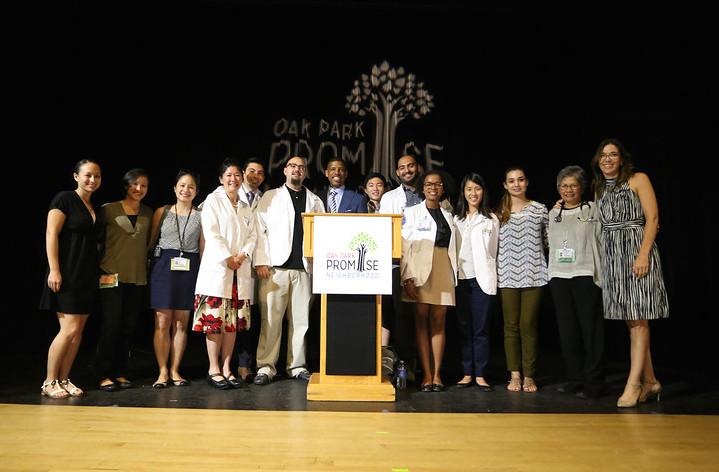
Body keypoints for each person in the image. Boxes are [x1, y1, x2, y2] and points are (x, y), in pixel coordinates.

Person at [591, 138, 668, 407]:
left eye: (613, 155)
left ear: (622, 158)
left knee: (638, 319)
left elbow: (653, 219)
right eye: (603, 155)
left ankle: (633, 384)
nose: (607, 159)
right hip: (613, 257)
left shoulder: (638, 179)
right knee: (631, 321)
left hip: (636, 252)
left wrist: (644, 253)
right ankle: (650, 381)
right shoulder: (600, 188)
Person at [253, 156, 325, 385]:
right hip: (275, 269)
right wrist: (261, 261)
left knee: (301, 321)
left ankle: (297, 365)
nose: (297, 170)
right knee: (271, 321)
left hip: (304, 269)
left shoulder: (315, 201)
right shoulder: (271, 196)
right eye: (292, 166)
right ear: (285, 170)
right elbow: (259, 230)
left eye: (301, 167)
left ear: (305, 173)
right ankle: (266, 366)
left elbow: (322, 233)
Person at [39, 159, 103, 398]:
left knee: (78, 332)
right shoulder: (64, 199)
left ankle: (64, 379)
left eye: (96, 176)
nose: (92, 180)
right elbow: (51, 234)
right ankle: (49, 381)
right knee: (68, 329)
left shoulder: (93, 206)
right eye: (87, 175)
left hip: (86, 275)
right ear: (76, 176)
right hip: (67, 273)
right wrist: (54, 269)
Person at [192, 159, 256, 389]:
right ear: (221, 179)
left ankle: (228, 367)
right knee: (215, 323)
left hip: (239, 271)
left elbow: (253, 235)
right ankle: (214, 368)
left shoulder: (246, 204)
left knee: (233, 324)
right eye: (229, 175)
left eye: (237, 175)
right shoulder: (212, 201)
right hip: (219, 270)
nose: (233, 179)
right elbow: (212, 232)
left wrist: (242, 255)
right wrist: (228, 258)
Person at [548, 165, 604, 399]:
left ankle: (594, 383)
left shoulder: (592, 209)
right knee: (567, 330)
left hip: (585, 273)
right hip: (559, 276)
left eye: (573, 185)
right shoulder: (554, 213)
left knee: (590, 330)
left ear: (581, 187)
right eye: (564, 185)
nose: (568, 189)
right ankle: (574, 378)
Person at [401, 171, 457, 392]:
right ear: (423, 188)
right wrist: (407, 278)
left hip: (443, 268)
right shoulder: (411, 212)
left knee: (439, 322)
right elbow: (404, 248)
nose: (433, 187)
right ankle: (426, 374)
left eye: (437, 184)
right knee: (421, 321)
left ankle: (437, 374)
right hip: (419, 271)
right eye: (428, 184)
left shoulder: (449, 215)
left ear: (442, 189)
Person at [96, 169, 152, 391]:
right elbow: (97, 242)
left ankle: (120, 372)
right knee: (111, 324)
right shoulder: (108, 210)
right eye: (134, 184)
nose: (138, 189)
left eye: (144, 185)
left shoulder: (148, 212)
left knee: (128, 327)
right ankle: (103, 374)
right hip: (110, 275)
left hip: (137, 278)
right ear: (126, 185)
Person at [148, 170, 203, 388]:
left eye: (190, 186)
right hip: (163, 266)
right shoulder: (162, 212)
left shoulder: (200, 215)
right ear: (174, 188)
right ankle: (162, 371)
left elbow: (202, 246)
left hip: (189, 268)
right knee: (162, 322)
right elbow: (151, 241)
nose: (185, 190)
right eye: (182, 185)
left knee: (181, 322)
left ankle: (175, 370)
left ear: (196, 191)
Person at [496, 167, 548, 393]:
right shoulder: (498, 212)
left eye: (520, 180)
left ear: (526, 183)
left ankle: (529, 375)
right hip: (506, 275)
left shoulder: (539, 209)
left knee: (528, 324)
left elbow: (549, 240)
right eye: (511, 181)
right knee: (511, 326)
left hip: (534, 273)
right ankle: (514, 374)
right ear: (505, 185)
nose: (516, 184)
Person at [453, 173, 499, 391]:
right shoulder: (456, 219)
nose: (473, 193)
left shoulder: (491, 219)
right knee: (464, 328)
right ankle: (467, 372)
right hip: (460, 279)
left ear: (483, 192)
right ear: (463, 192)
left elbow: (494, 250)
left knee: (480, 329)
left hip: (482, 280)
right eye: (469, 189)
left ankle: (480, 374)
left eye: (477, 189)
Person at [235, 157, 266, 382]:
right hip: (233, 263)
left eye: (260, 173)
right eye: (251, 171)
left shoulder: (265, 199)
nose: (255, 175)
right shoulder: (230, 194)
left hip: (256, 268)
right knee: (231, 315)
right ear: (244, 173)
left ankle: (246, 363)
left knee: (249, 317)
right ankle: (229, 364)